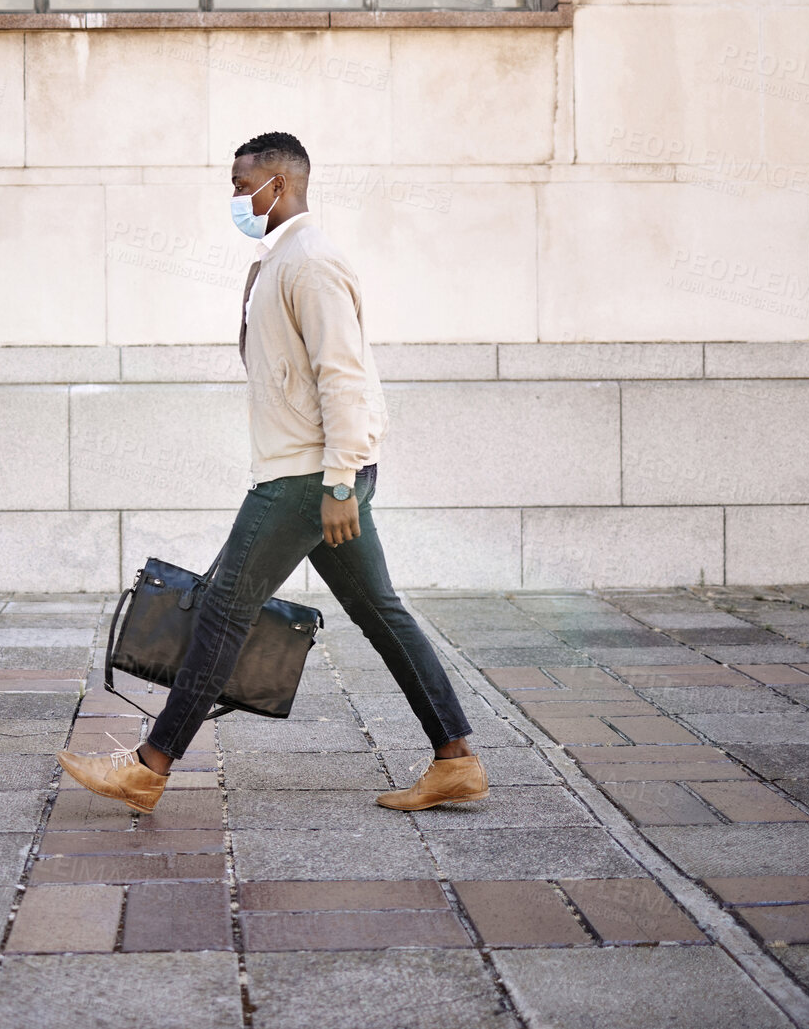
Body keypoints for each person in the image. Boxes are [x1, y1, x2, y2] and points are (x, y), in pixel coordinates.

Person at [57, 132, 487, 814]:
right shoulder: (280, 259)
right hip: (309, 469)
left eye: (239, 184)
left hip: (304, 479)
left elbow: (342, 373)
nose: (233, 198)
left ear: (276, 186)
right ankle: (455, 757)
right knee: (379, 610)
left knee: (223, 610)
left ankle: (149, 765)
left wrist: (341, 479)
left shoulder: (309, 261)